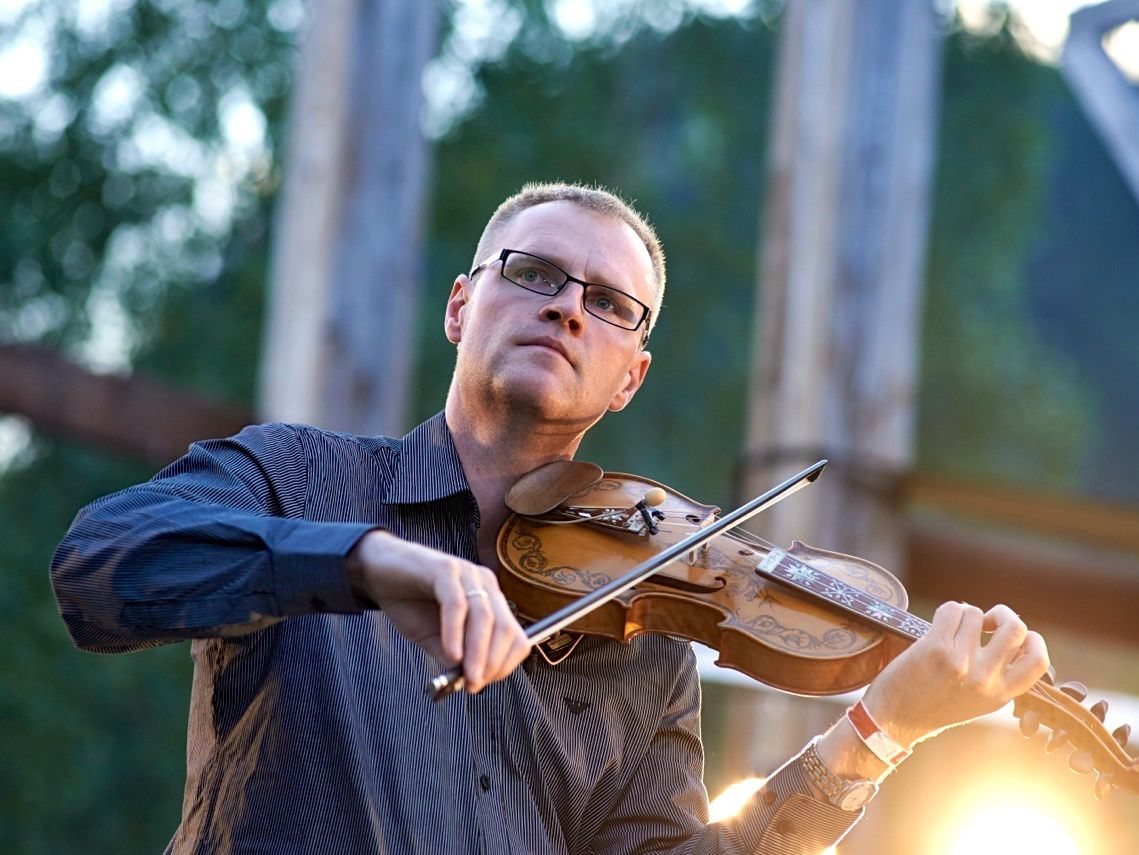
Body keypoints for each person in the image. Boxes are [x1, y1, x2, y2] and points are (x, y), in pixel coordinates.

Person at [51, 182, 1050, 854]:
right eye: (533, 274)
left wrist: (875, 732)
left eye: (611, 303)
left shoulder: (648, 657)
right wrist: (367, 563)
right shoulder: (299, 475)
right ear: (459, 306)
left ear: (630, 380)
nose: (569, 307)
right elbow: (101, 567)